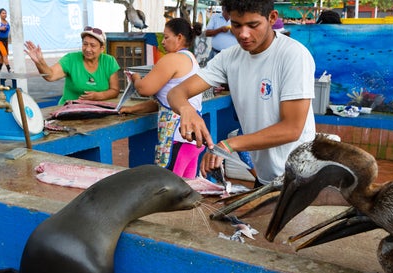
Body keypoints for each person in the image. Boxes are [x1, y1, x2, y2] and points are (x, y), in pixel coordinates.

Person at [167, 0, 316, 188]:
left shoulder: (293, 55)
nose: (243, 34)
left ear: (272, 18)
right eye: (236, 25)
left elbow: (292, 129)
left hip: (301, 179)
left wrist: (228, 145)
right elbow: (176, 92)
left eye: (253, 25)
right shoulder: (230, 57)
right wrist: (186, 109)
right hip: (266, 177)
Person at [118, 18, 204, 179]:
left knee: (167, 188)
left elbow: (144, 89)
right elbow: (165, 103)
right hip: (192, 140)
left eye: (166, 37)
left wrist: (135, 78)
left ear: (179, 37)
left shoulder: (173, 59)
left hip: (177, 139)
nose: (163, 42)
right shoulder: (190, 59)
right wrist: (131, 109)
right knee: (185, 191)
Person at [24, 26, 120, 105]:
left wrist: (98, 96)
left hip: (97, 108)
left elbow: (115, 90)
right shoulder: (71, 59)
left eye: (93, 45)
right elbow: (50, 76)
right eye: (85, 44)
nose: (87, 49)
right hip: (69, 109)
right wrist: (39, 61)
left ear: (102, 48)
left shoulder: (109, 61)